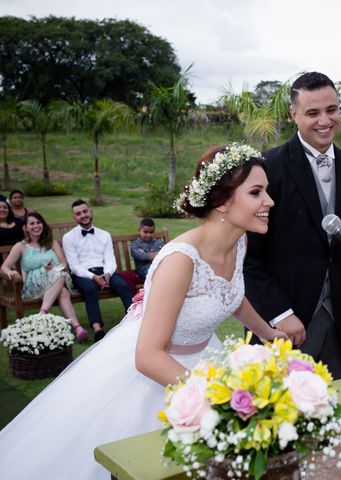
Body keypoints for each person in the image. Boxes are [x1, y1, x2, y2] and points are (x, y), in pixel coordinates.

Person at [0, 143, 285, 479]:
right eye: (256, 192)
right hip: (154, 374)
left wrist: (268, 333)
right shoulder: (181, 260)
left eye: (266, 191)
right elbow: (148, 356)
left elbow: (229, 293)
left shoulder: (239, 241)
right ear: (222, 200)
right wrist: (215, 402)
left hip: (205, 357)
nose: (269, 201)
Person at [244, 72, 341, 380]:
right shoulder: (266, 167)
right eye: (313, 113)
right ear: (294, 115)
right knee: (274, 413)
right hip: (281, 325)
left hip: (339, 317)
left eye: (331, 110)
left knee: (334, 409)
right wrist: (280, 313)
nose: (325, 120)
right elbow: (247, 257)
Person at [0, 212, 89, 342]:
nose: (36, 226)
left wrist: (52, 268)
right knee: (61, 280)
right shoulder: (21, 246)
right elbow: (4, 267)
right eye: (32, 223)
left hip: (55, 280)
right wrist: (10, 273)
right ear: (25, 228)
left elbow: (64, 264)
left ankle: (77, 328)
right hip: (33, 286)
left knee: (62, 287)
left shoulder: (51, 243)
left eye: (38, 222)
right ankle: (46, 315)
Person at [62, 200, 133, 342]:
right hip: (83, 273)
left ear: (91, 212)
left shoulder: (104, 234)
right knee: (90, 289)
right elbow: (74, 266)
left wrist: (107, 274)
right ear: (74, 217)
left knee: (123, 286)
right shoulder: (68, 238)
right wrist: (93, 277)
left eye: (85, 211)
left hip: (105, 271)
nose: (83, 215)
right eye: (78, 213)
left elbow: (110, 259)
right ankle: (98, 329)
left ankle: (133, 322)